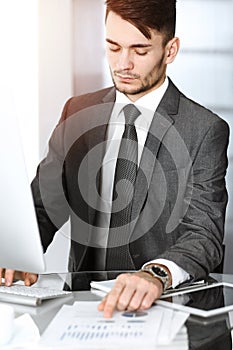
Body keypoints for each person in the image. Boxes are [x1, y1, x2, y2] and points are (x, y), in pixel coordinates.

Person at [0, 0, 229, 318]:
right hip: (82, 308)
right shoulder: (77, 112)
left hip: (164, 310)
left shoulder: (205, 130)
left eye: (140, 50)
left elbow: (204, 234)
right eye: (113, 47)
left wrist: (156, 275)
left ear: (170, 50)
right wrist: (17, 258)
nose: (123, 63)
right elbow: (44, 205)